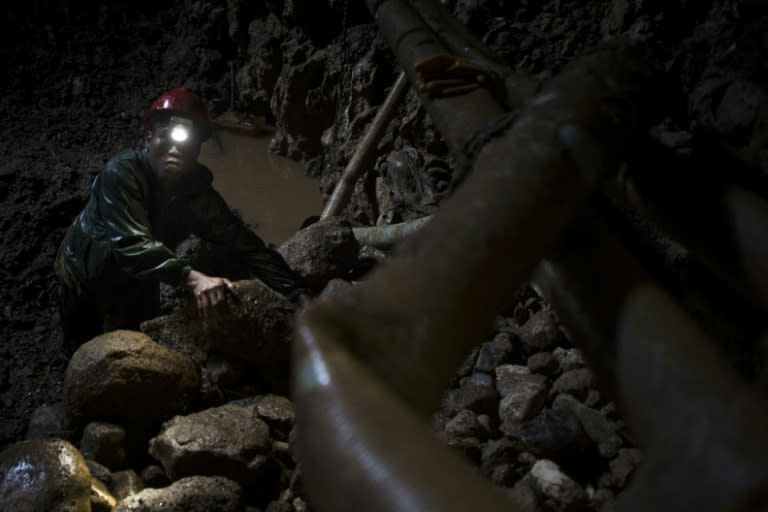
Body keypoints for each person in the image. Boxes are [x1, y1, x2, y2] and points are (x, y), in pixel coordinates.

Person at [55, 87, 305, 355]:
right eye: (167, 138)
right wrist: (194, 278)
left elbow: (243, 244)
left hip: (143, 277)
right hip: (86, 274)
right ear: (149, 139)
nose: (176, 150)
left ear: (197, 150)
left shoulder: (195, 194)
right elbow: (130, 244)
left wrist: (297, 292)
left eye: (186, 143)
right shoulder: (121, 174)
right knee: (80, 349)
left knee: (141, 348)